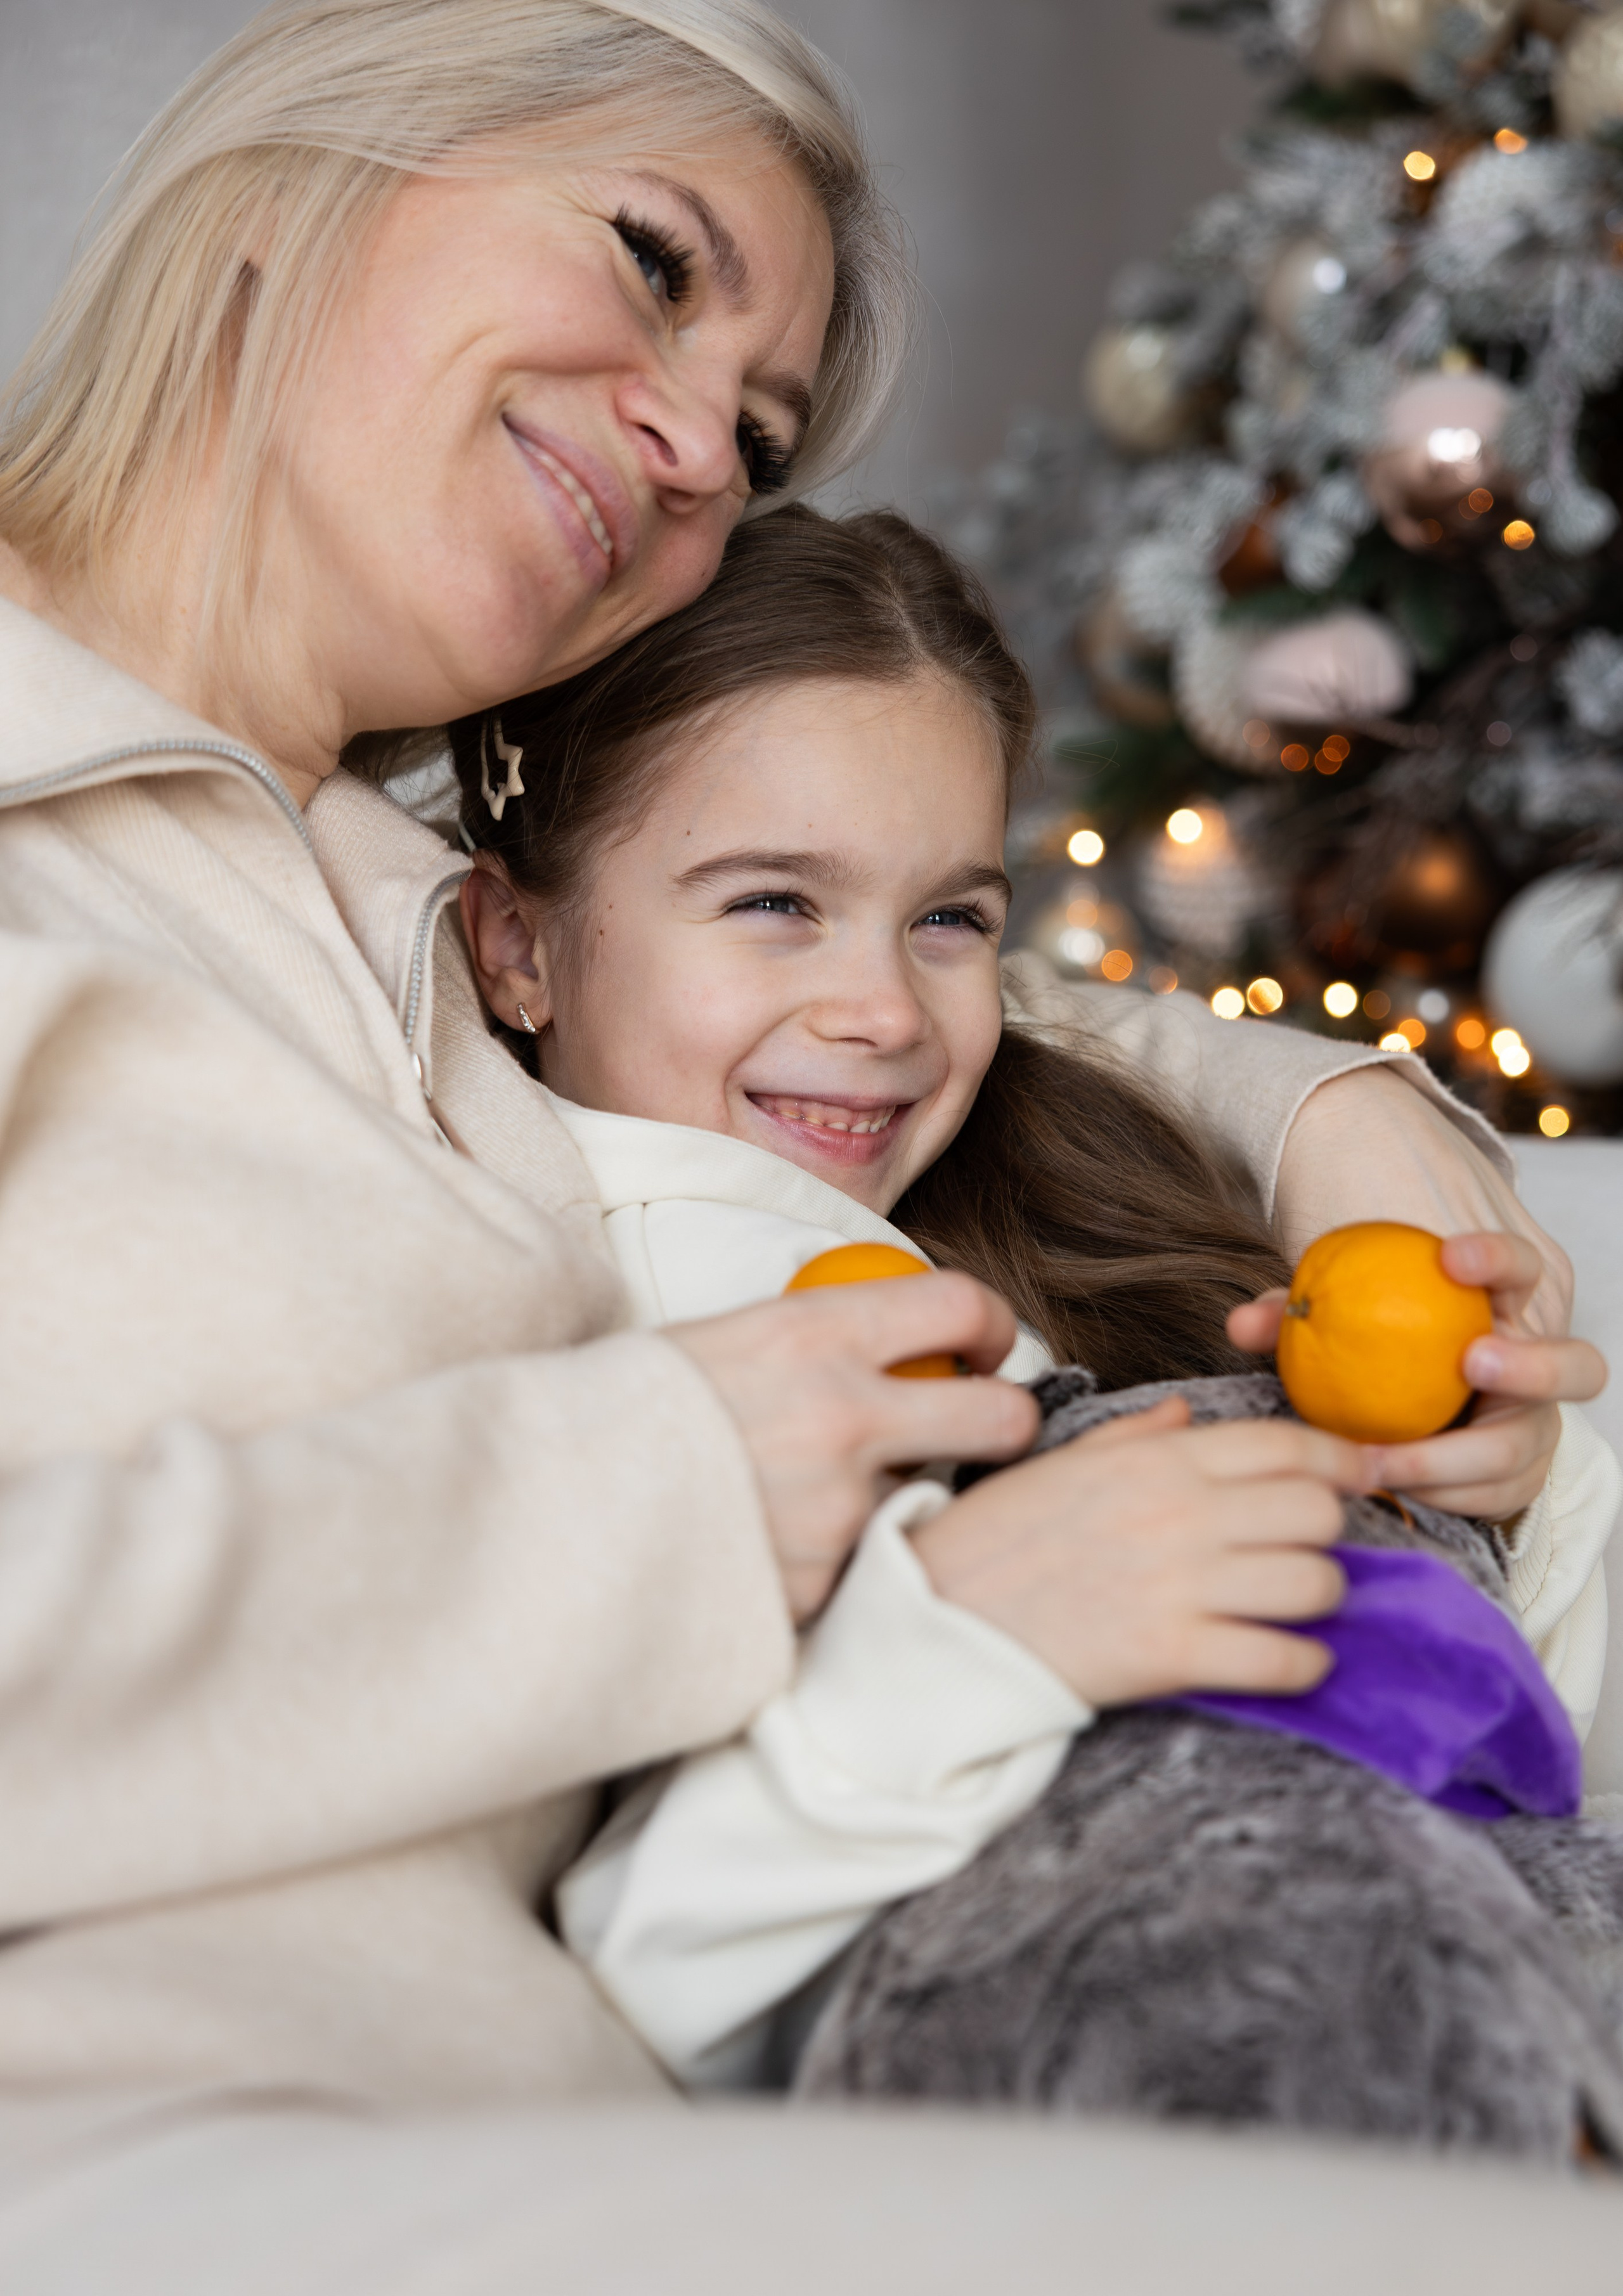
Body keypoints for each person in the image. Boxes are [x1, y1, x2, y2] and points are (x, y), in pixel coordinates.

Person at [0, 0, 1596, 2131]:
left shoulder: (413, 926)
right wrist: (678, 1495)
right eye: (654, 260)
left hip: (665, 2152)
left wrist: (1337, 1106)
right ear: (326, 149)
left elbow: (874, 987)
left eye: (758, 440)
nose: (689, 450)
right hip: (193, 2160)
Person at [438, 503, 1617, 2087]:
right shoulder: (564, 1322)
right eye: (771, 901)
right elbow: (644, 1961)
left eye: (948, 919)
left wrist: (1523, 1487)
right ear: (516, 943)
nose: (880, 1011)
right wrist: (976, 1632)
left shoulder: (1066, 1200)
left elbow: (1537, 1767)